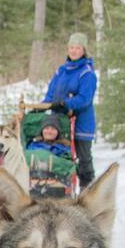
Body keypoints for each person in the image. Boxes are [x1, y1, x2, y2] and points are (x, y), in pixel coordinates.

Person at [42, 32, 97, 187]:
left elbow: (85, 99)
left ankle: (87, 192)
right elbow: (51, 94)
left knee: (83, 159)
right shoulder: (62, 70)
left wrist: (66, 103)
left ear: (84, 50)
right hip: (60, 121)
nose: (73, 51)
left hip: (81, 124)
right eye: (71, 47)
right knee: (60, 155)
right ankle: (58, 188)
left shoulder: (87, 73)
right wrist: (42, 108)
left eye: (77, 48)